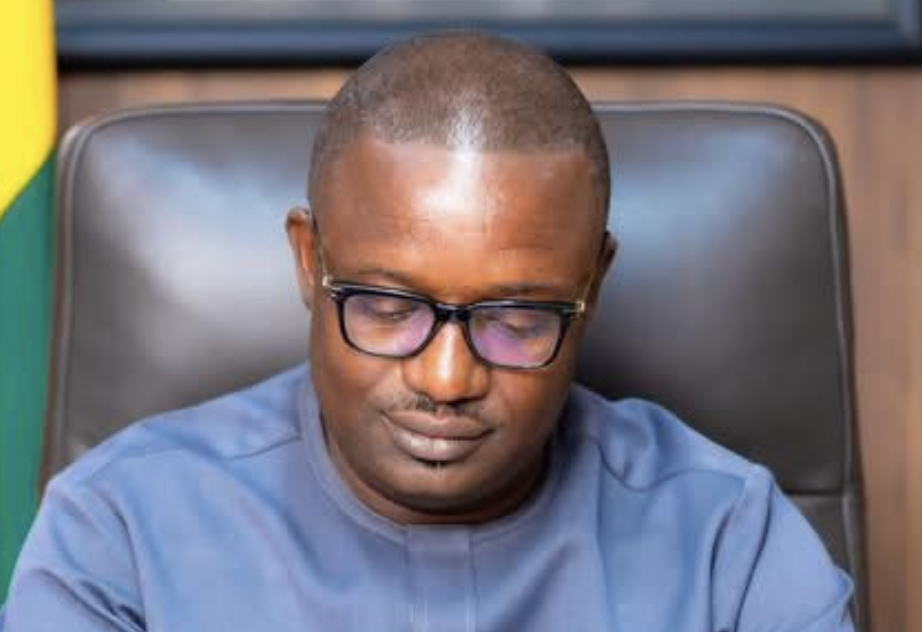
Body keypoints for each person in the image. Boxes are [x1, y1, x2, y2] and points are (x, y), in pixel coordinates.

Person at [1, 31, 854, 631]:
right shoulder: (118, 530)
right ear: (309, 261)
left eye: (515, 318)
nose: (447, 381)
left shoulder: (728, 543)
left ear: (591, 286)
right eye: (388, 306)